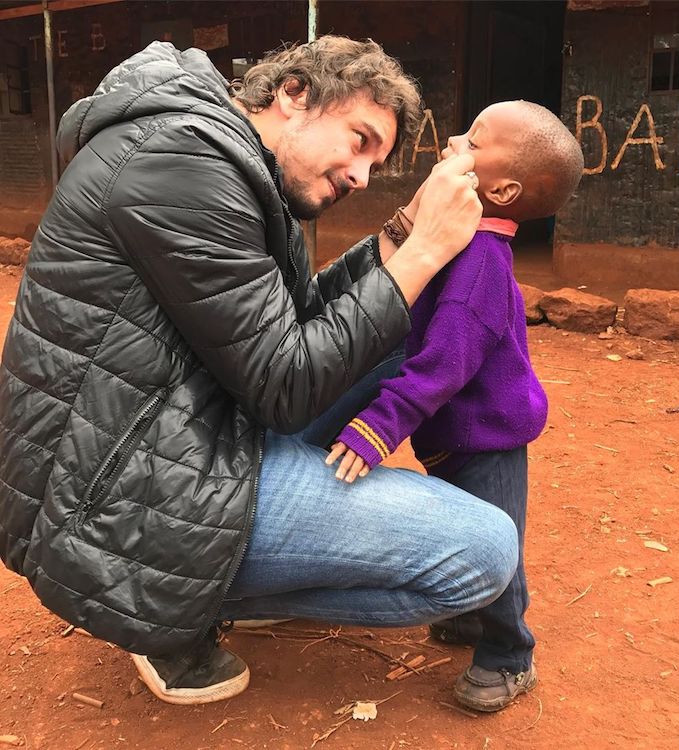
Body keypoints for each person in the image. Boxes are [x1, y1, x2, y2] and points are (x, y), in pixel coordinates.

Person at [0, 37, 521, 706]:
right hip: (121, 497)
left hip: (169, 430)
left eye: (376, 163)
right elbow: (286, 383)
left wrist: (400, 232)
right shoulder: (182, 168)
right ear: (295, 93)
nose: (362, 176)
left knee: (396, 335)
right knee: (483, 555)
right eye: (359, 140)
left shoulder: (226, 162)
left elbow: (293, 323)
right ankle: (177, 607)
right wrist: (422, 253)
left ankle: (224, 583)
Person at [327, 101, 584, 712]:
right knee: (465, 532)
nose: (455, 138)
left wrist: (375, 427)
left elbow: (443, 366)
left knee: (498, 544)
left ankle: (508, 654)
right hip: (452, 435)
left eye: (475, 138)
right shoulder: (458, 242)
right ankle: (472, 621)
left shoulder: (480, 270)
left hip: (488, 442)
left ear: (502, 188)